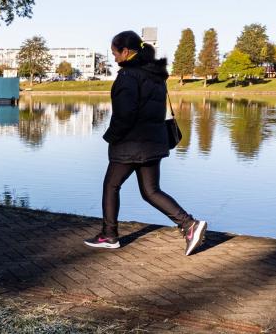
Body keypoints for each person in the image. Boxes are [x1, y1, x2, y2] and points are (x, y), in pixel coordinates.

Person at [84, 30, 207, 256]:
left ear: (126, 52)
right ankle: (189, 224)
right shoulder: (155, 75)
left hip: (132, 143)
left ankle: (109, 236)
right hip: (154, 141)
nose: (114, 58)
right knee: (150, 191)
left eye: (115, 53)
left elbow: (125, 114)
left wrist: (110, 137)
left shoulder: (128, 76)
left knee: (111, 185)